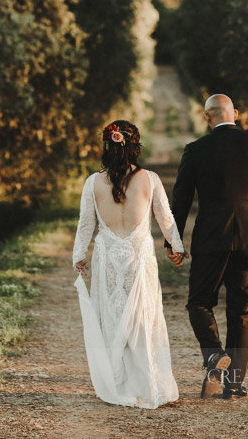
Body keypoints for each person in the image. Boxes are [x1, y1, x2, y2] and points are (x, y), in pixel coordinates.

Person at [167, 94, 248, 399]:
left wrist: (174, 240)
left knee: (199, 302)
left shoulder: (196, 150)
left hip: (211, 238)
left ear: (207, 118)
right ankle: (234, 383)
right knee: (242, 312)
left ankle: (213, 354)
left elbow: (181, 200)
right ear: (235, 113)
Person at [71, 120, 185, 409]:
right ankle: (145, 383)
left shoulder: (92, 182)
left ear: (107, 146)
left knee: (111, 316)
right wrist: (177, 247)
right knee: (143, 318)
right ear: (134, 146)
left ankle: (119, 383)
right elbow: (165, 218)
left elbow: (86, 223)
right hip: (138, 257)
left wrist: (79, 255)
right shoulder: (150, 179)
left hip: (107, 256)